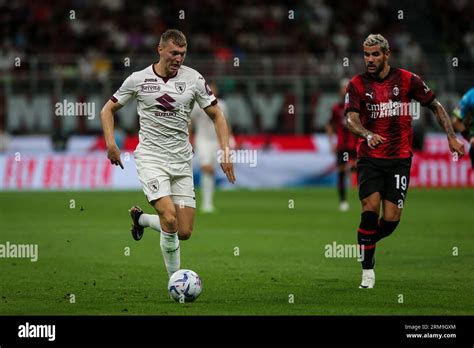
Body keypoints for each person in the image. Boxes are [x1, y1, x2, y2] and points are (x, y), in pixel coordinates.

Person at [100, 29, 235, 280]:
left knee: (183, 231)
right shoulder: (138, 79)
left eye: (182, 54)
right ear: (160, 49)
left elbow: (217, 115)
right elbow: (107, 110)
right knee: (169, 219)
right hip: (151, 159)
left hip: (181, 162)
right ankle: (177, 282)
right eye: (174, 53)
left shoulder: (193, 79)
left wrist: (225, 151)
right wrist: (111, 144)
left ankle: (140, 220)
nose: (178, 58)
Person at [344, 34, 464, 289]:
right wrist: (368, 134)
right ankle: (367, 271)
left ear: (387, 55)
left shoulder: (408, 80)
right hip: (369, 158)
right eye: (366, 55)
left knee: (391, 219)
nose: (370, 59)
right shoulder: (356, 84)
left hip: (399, 160)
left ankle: (365, 243)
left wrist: (451, 137)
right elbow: (351, 119)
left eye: (375, 54)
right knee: (369, 208)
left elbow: (436, 106)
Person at [190, 81, 234, 213]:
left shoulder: (222, 105)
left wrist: (228, 142)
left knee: (210, 172)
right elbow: (190, 123)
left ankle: (207, 203)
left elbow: (226, 124)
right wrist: (188, 141)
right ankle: (206, 203)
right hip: (202, 140)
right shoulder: (197, 106)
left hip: (216, 142)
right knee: (206, 168)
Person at [326, 78, 358, 211]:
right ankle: (343, 201)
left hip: (356, 144)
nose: (344, 90)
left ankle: (367, 199)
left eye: (347, 88)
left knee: (361, 170)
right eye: (342, 88)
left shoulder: (357, 107)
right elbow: (329, 125)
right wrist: (331, 142)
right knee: (341, 172)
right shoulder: (336, 108)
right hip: (342, 146)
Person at [452, 87, 474, 167]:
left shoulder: (470, 95)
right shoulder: (470, 96)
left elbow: (455, 121)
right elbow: (456, 121)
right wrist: (470, 137)